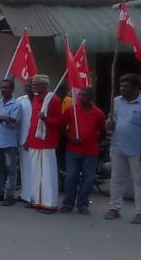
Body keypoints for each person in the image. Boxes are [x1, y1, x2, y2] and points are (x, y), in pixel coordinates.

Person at [105, 73, 141, 224]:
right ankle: (114, 208)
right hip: (118, 148)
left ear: (136, 87)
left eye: (126, 86)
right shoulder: (115, 101)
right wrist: (108, 123)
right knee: (116, 179)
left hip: (139, 151)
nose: (122, 89)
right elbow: (111, 119)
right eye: (121, 86)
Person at [61, 86, 106, 215]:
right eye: (79, 95)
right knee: (71, 177)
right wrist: (70, 137)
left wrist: (96, 140)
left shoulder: (98, 113)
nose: (81, 98)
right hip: (73, 150)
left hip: (90, 152)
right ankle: (68, 204)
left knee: (88, 179)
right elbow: (62, 128)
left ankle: (82, 204)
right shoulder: (71, 110)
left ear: (90, 98)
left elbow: (102, 131)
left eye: (84, 95)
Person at [24, 74, 64, 214]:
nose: (32, 86)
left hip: (47, 142)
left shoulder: (53, 100)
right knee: (35, 174)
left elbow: (60, 123)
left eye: (35, 84)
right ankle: (36, 200)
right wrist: (28, 139)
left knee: (47, 175)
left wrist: (45, 119)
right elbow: (32, 122)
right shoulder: (35, 98)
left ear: (44, 85)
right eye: (32, 84)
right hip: (35, 141)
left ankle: (49, 203)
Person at [0, 79, 22, 206]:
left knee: (11, 170)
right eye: (1, 87)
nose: (3, 90)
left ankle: (10, 195)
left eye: (6, 88)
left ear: (12, 89)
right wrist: (3, 118)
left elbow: (12, 123)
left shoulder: (17, 104)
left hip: (10, 143)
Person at [16, 77, 34, 203]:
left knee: (37, 170)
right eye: (26, 86)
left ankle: (36, 196)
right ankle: (26, 195)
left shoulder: (43, 101)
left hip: (39, 142)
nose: (28, 87)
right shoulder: (20, 101)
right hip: (23, 141)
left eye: (31, 85)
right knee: (25, 169)